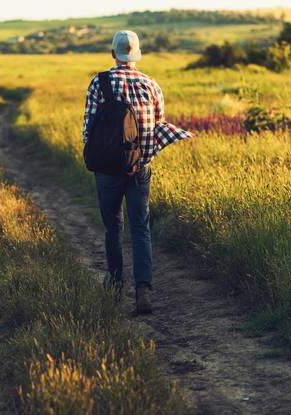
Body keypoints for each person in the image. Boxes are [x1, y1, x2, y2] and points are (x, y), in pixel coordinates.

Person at [82, 30, 192, 314]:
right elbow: (157, 127)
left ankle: (116, 283)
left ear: (113, 54)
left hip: (107, 169)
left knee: (113, 227)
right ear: (137, 54)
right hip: (140, 167)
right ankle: (144, 291)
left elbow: (88, 129)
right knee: (141, 228)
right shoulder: (151, 85)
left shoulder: (99, 82)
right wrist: (144, 155)